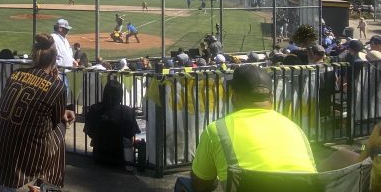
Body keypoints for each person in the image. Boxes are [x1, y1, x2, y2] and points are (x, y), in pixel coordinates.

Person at [175, 65, 316, 192]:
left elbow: (201, 184)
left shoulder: (217, 130)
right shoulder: (296, 129)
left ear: (234, 96)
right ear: (271, 97)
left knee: (184, 185)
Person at [0, 33, 75, 191]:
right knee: (61, 127)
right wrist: (55, 82)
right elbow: (57, 119)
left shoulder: (16, 74)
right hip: (25, 153)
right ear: (54, 61)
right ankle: (50, 182)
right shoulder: (56, 87)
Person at [84, 79, 141, 167]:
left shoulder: (94, 109)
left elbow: (89, 130)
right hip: (119, 158)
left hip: (99, 156)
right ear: (120, 95)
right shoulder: (127, 111)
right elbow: (130, 134)